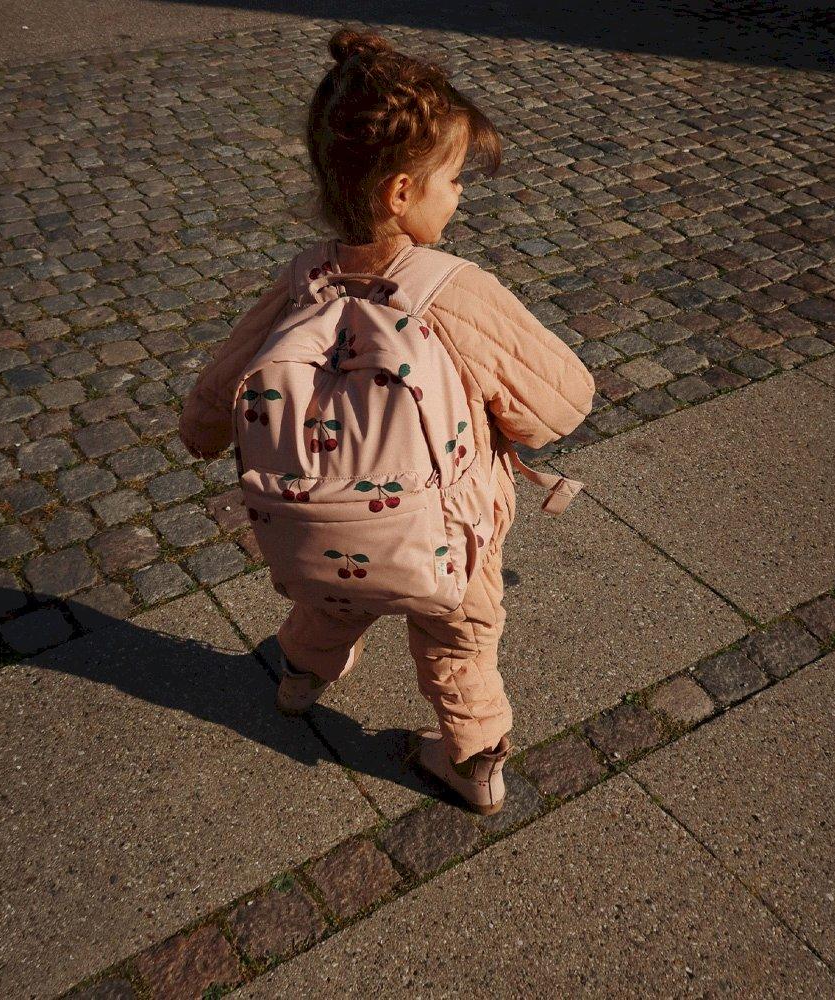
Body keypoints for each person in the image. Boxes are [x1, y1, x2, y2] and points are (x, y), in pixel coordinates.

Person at [179, 28, 594, 814]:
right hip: (448, 530)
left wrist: (201, 433)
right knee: (461, 639)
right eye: (454, 179)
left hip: (324, 524)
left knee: (331, 601)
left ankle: (299, 679)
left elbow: (216, 393)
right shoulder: (453, 288)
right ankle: (474, 764)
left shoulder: (301, 280)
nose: (459, 194)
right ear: (402, 192)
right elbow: (560, 402)